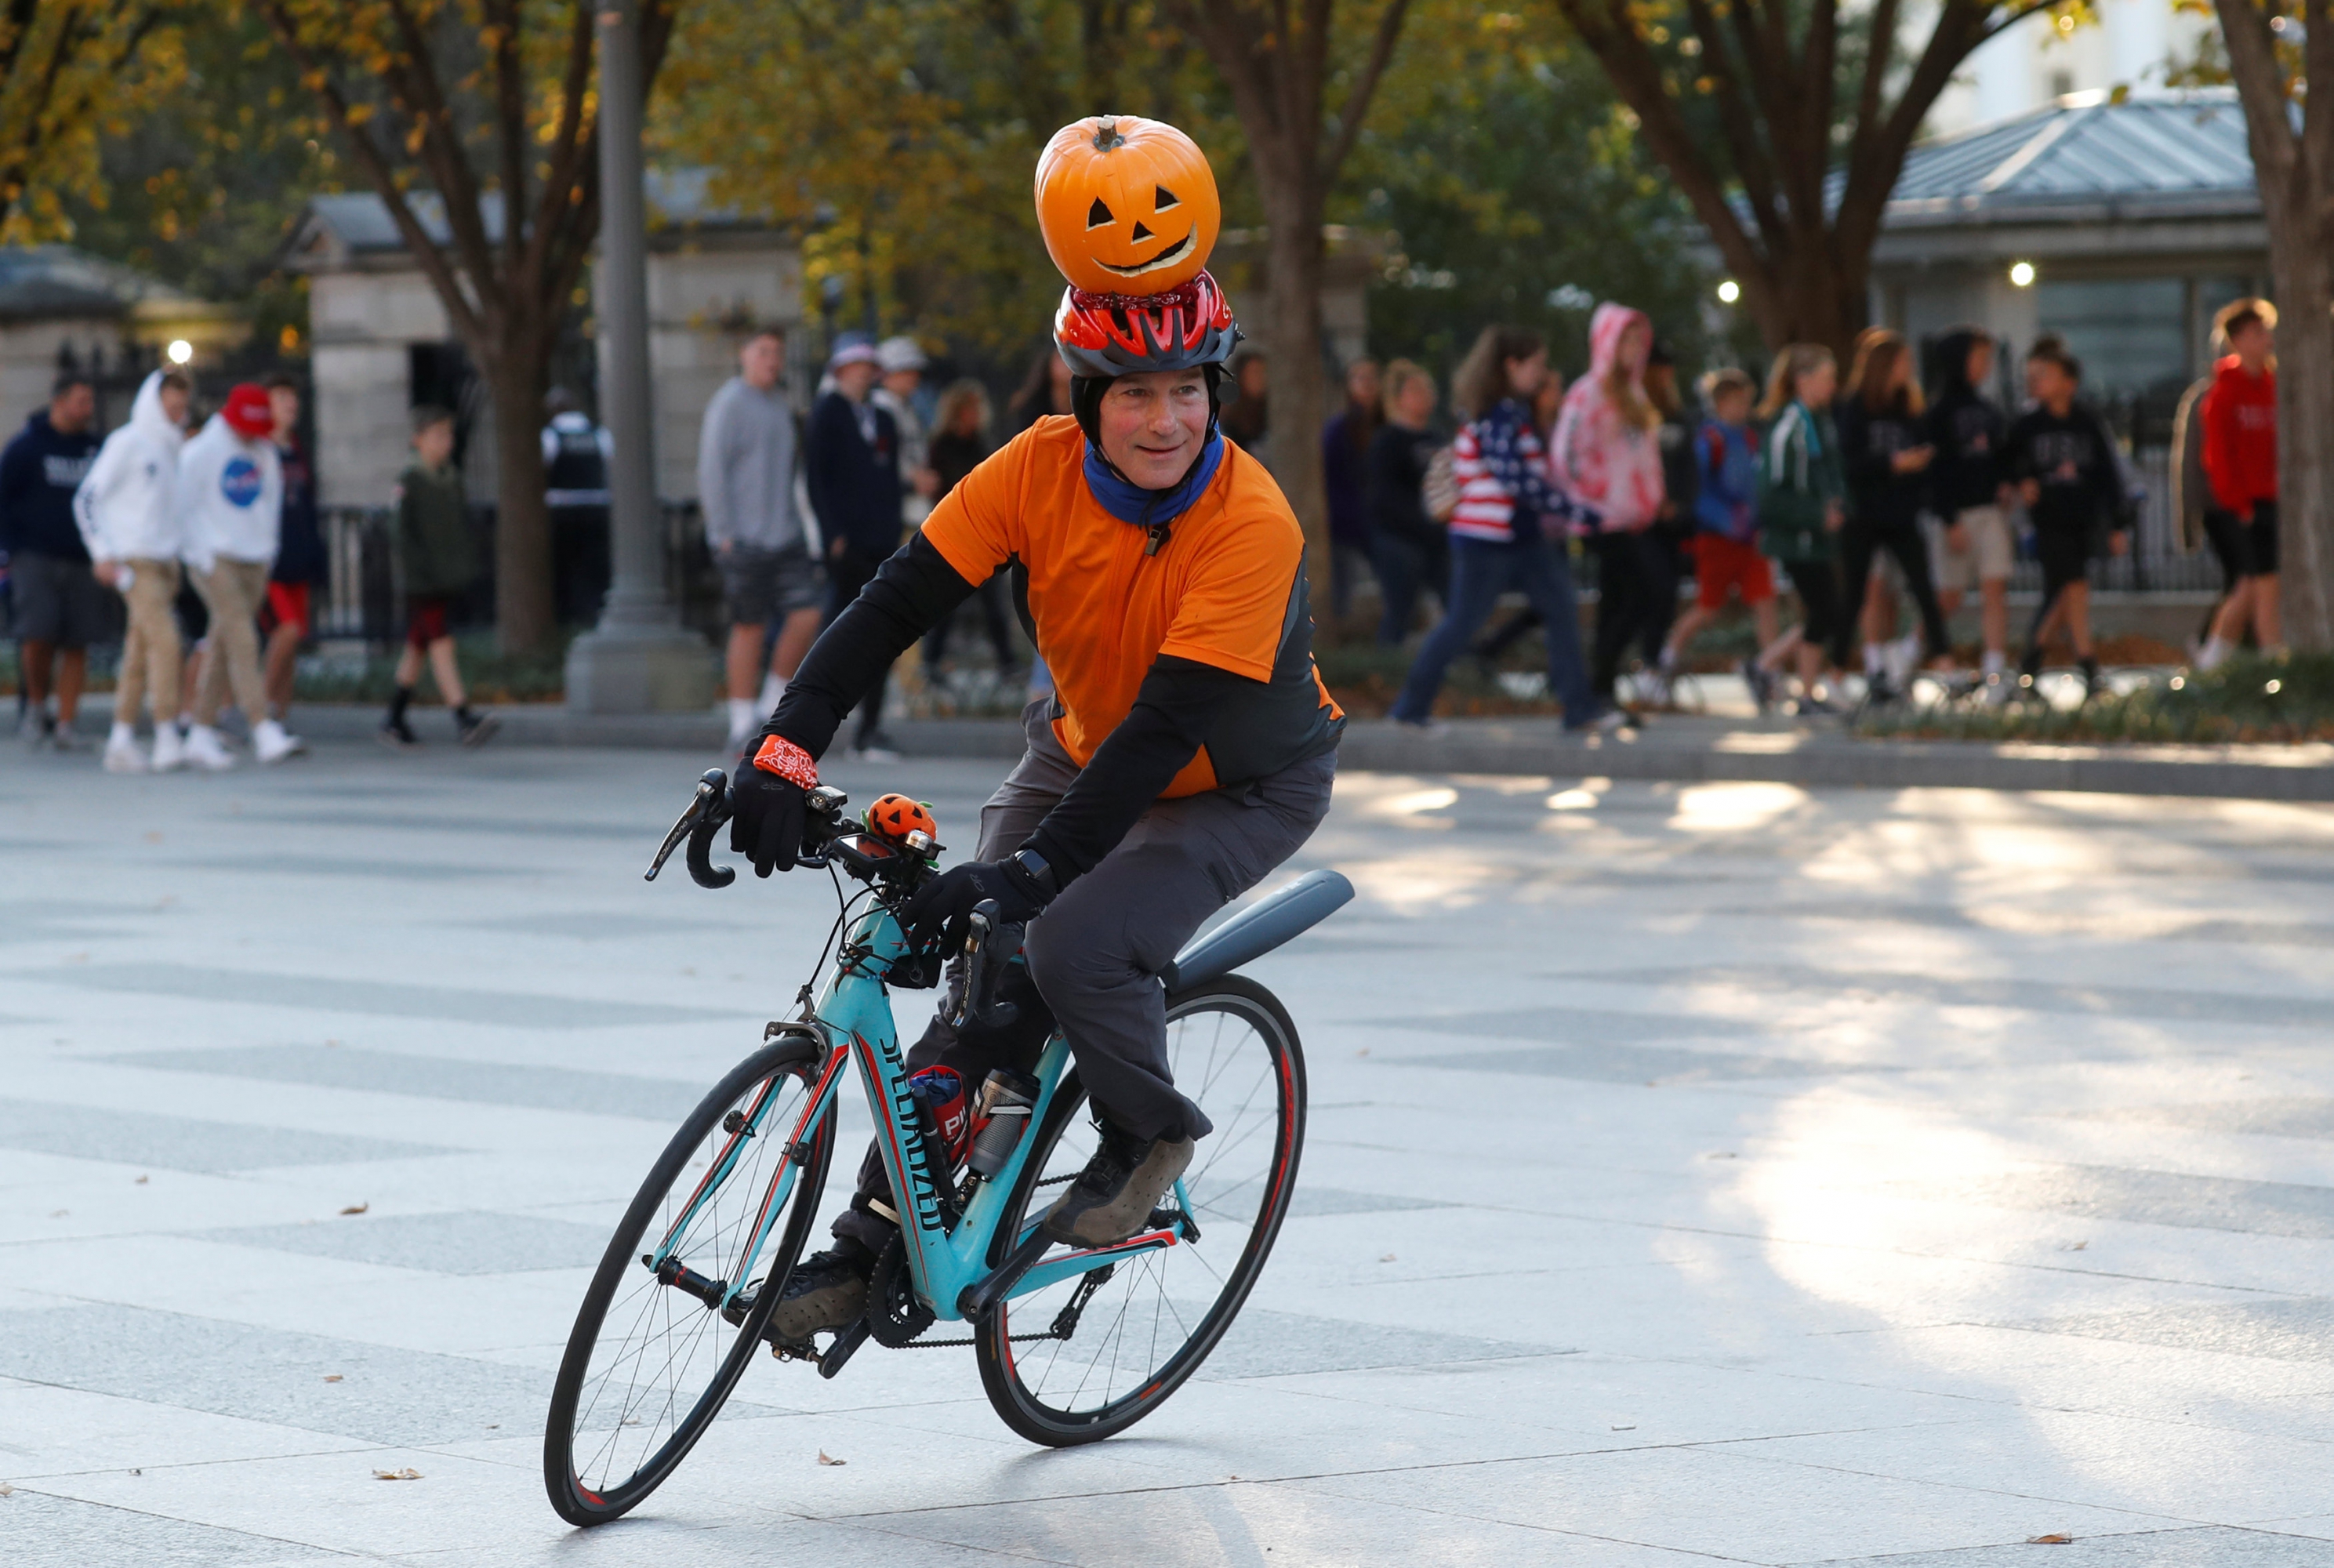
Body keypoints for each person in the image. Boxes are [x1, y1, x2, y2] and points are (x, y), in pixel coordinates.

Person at [727, 114, 1341, 1341]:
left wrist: (1034, 872)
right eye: (1133, 396)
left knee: (1068, 946)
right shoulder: (1033, 468)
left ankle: (1153, 1130)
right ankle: (873, 1245)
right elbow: (895, 598)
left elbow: (1168, 730)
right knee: (983, 980)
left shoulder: (1252, 522)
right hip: (1079, 746)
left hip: (1234, 780)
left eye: (1186, 391)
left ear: (1215, 391)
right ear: (1085, 399)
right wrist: (783, 745)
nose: (1164, 421)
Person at [1388, 325, 1607, 732]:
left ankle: (1579, 709)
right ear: (1512, 365)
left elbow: (1526, 478)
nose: (1542, 374)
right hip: (1487, 542)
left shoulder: (1506, 413)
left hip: (1519, 538)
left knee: (1559, 612)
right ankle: (1409, 709)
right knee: (1463, 624)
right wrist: (1576, 512)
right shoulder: (1497, 416)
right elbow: (1517, 479)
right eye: (1537, 364)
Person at [699, 326, 822, 753]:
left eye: (778, 353)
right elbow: (712, 469)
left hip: (785, 533)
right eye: (764, 351)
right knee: (748, 625)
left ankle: (772, 707)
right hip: (744, 538)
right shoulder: (729, 403)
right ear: (744, 355)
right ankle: (740, 720)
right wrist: (722, 533)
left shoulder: (780, 404)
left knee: (806, 614)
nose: (773, 360)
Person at [1552, 304, 1668, 719]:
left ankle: (1600, 693)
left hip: (1633, 518)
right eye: (1626, 339)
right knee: (1643, 593)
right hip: (1601, 519)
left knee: (1618, 603)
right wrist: (1592, 502)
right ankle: (1597, 686)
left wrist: (1647, 500)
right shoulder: (1587, 392)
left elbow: (1642, 456)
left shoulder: (1633, 391)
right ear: (1606, 341)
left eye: (1639, 340)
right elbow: (1566, 456)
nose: (1635, 348)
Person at [177, 383, 299, 768]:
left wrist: (269, 551)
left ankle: (199, 732)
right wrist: (201, 556)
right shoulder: (201, 452)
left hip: (254, 557)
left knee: (222, 642)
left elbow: (271, 504)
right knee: (244, 639)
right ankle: (261, 727)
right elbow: (182, 507)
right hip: (216, 557)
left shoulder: (264, 452)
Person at [74, 369, 188, 771]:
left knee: (139, 652)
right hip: (134, 561)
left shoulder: (172, 446)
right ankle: (166, 732)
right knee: (167, 643)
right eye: (171, 405)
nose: (177, 413)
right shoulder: (128, 442)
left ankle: (121, 738)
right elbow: (87, 497)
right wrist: (101, 552)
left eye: (182, 407)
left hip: (164, 561)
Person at [2004, 343, 2129, 698]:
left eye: (2047, 375)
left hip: (2082, 519)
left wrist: (2117, 524)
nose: (2038, 382)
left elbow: (2107, 477)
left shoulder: (2086, 423)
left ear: (2070, 382)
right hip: (2048, 521)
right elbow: (2007, 463)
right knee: (2073, 587)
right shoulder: (2028, 425)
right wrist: (2020, 482)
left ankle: (2031, 665)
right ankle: (2087, 666)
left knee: (2061, 593)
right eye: (2034, 376)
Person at [805, 332, 906, 760]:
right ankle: (809, 722)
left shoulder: (882, 418)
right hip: (848, 544)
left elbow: (890, 477)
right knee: (838, 633)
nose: (865, 371)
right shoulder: (827, 413)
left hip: (880, 538)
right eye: (858, 363)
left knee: (881, 633)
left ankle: (870, 728)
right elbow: (817, 479)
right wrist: (833, 535)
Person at [1834, 330, 1953, 694]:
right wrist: (1892, 463)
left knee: (1923, 589)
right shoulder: (1854, 408)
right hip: (1864, 514)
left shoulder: (1908, 408)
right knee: (1854, 593)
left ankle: (1945, 664)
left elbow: (1927, 454)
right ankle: (1837, 672)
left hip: (1901, 513)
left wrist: (1918, 466)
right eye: (1903, 362)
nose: (1909, 370)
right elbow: (1848, 463)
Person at [1661, 368, 1778, 707]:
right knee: (1708, 607)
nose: (1745, 408)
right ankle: (1665, 660)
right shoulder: (1708, 440)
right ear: (1722, 402)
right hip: (1718, 537)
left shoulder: (1750, 438)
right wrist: (1727, 519)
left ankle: (1767, 672)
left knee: (1765, 603)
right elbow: (1699, 491)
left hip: (1750, 538)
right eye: (1739, 401)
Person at [380, 406, 496, 746]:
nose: (445, 443)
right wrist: (421, 571)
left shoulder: (451, 478)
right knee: (441, 642)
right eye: (437, 436)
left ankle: (394, 717)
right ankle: (462, 717)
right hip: (422, 580)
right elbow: (400, 532)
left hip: (445, 576)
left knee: (418, 645)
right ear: (418, 440)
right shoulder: (411, 480)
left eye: (448, 436)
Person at [2, 370, 104, 750]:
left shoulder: (96, 449)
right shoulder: (27, 447)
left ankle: (66, 724)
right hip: (35, 556)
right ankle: (35, 707)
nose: (87, 409)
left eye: (90, 401)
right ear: (59, 403)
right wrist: (8, 549)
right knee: (37, 634)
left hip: (83, 557)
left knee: (78, 641)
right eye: (81, 401)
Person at [1749, 344, 1847, 714]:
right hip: (1797, 538)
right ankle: (1766, 667)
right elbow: (1772, 491)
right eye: (1826, 377)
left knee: (1823, 611)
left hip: (1817, 536)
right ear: (1802, 380)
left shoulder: (1820, 420)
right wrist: (1814, 515)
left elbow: (1830, 474)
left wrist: (1838, 506)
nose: (1833, 385)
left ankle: (1803, 691)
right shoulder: (1788, 422)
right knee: (1825, 609)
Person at [1922, 327, 2013, 695]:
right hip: (1955, 516)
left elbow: (1999, 456)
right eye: (1978, 357)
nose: (1986, 366)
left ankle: (1994, 668)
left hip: (1988, 511)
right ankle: (1913, 648)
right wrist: (1947, 518)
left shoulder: (1988, 410)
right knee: (1950, 596)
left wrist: (2005, 482)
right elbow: (1934, 471)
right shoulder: (1939, 412)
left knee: (1995, 585)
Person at [2196, 298, 2280, 668]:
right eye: (2259, 333)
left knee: (2251, 585)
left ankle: (2211, 659)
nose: (2267, 340)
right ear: (2238, 340)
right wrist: (2239, 505)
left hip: (2269, 499)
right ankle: (2272, 659)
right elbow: (2218, 457)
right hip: (2238, 506)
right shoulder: (2223, 393)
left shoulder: (2271, 387)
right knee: (2261, 584)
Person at [919, 379, 1021, 681]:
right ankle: (931, 662)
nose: (975, 415)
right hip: (952, 530)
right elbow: (936, 488)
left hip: (983, 531)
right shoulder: (941, 445)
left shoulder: (980, 443)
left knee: (993, 602)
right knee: (946, 602)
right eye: (970, 409)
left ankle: (1007, 662)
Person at [1364, 358, 1447, 644]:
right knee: (1401, 608)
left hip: (1437, 538)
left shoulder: (1438, 438)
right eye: (1415, 390)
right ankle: (1385, 671)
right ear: (1398, 399)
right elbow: (1383, 496)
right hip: (1398, 538)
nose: (1424, 396)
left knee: (1454, 602)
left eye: (1427, 389)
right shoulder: (1388, 441)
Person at [262, 376, 324, 730]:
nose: (291, 404)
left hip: (298, 556)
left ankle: (279, 716)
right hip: (269, 561)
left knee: (295, 637)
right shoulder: (259, 448)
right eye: (282, 396)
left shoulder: (296, 448)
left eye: (293, 397)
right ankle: (258, 710)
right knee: (284, 631)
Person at [542, 387, 612, 626]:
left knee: (563, 569)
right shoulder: (598, 433)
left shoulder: (550, 435)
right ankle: (594, 613)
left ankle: (568, 617)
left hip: (562, 509)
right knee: (595, 569)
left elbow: (544, 467)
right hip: (597, 506)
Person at [1322, 358, 1380, 621]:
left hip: (1380, 521)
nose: (1367, 386)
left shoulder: (1385, 425)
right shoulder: (1339, 428)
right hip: (1345, 521)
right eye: (1360, 379)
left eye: (1372, 378)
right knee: (1342, 587)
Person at [873, 336, 939, 529]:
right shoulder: (880, 408)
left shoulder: (908, 407)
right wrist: (912, 480)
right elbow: (881, 460)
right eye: (905, 371)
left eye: (915, 371)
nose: (913, 377)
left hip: (916, 509)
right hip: (895, 511)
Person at [1218, 343, 1270, 467]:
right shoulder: (1227, 413)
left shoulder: (1268, 412)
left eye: (1263, 373)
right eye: (1254, 372)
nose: (1260, 379)